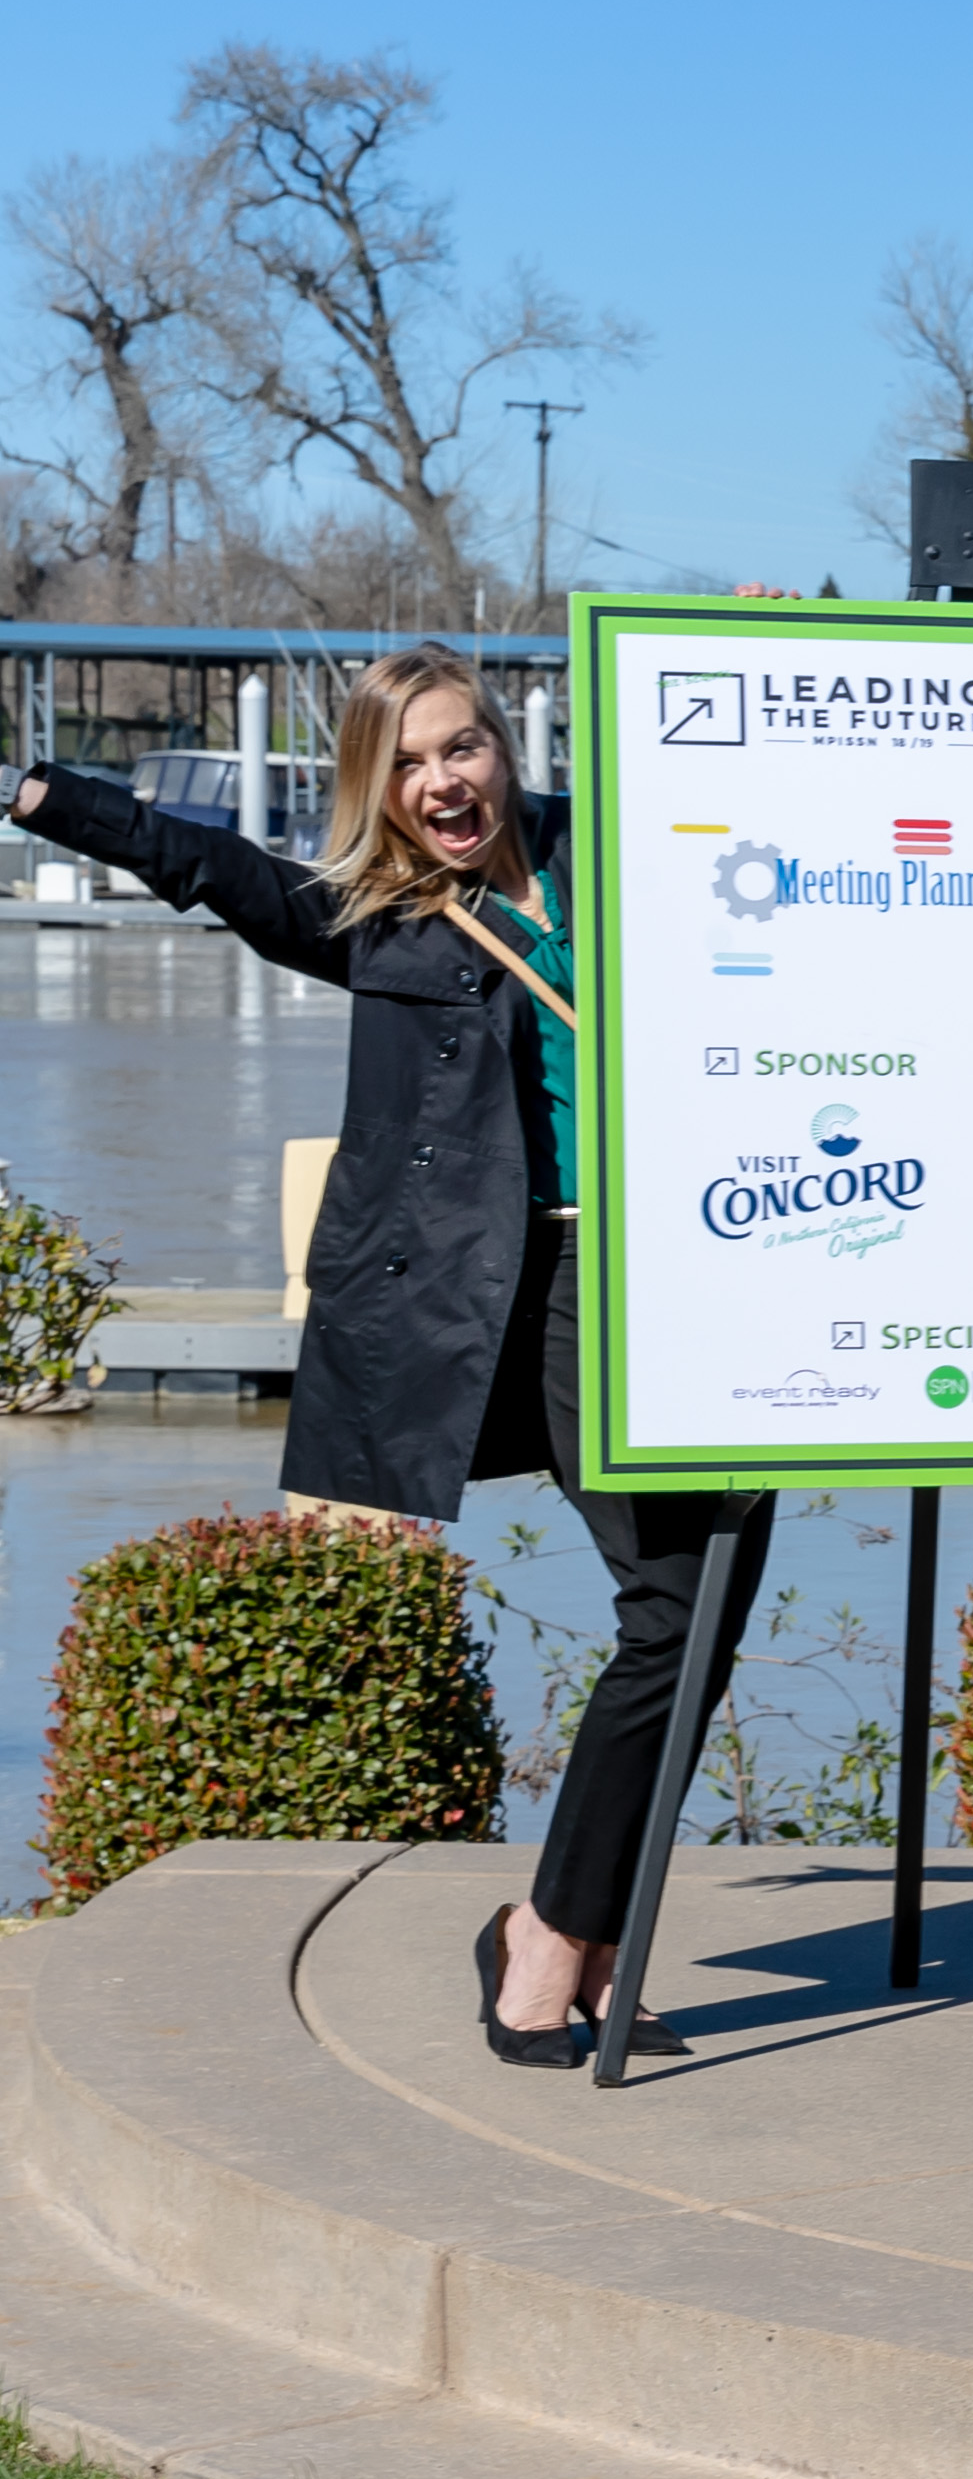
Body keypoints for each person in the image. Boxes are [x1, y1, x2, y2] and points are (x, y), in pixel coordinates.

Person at [14, 650, 766, 2068]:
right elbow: (209, 862)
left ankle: (578, 1940)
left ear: (502, 744)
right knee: (673, 1609)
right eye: (410, 763)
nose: (443, 782)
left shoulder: (631, 846)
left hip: (728, 1268)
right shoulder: (387, 924)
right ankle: (548, 1948)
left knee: (708, 1610)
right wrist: (39, 790)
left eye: (462, 747)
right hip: (561, 1281)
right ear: (379, 784)